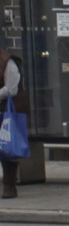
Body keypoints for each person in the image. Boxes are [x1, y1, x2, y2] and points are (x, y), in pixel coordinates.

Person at [0, 46, 26, 200]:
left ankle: (9, 185)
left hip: (4, 111)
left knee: (7, 148)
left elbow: (12, 89)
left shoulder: (7, 61)